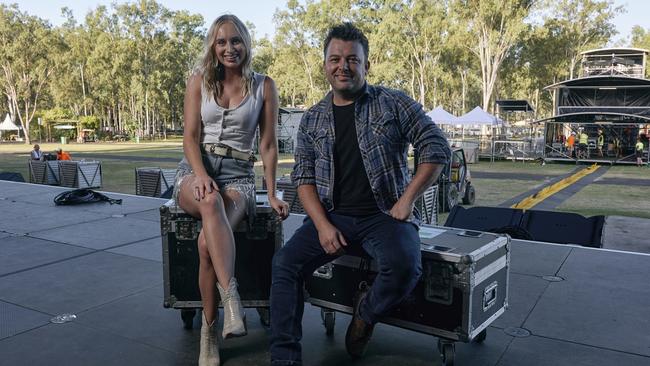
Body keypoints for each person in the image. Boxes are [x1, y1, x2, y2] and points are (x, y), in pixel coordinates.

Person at [269, 23, 451, 365]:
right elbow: (304, 179)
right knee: (284, 264)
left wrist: (407, 199)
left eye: (353, 59)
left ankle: (365, 316)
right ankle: (284, 358)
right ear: (325, 64)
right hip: (332, 215)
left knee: (404, 267)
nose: (343, 66)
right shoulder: (312, 120)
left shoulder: (393, 103)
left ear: (367, 65)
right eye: (335, 59)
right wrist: (322, 226)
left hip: (384, 216)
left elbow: (437, 147)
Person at [171, 14, 288, 366]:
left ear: (246, 44)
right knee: (208, 200)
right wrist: (200, 173)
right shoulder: (198, 82)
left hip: (238, 176)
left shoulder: (264, 86)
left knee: (207, 244)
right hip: (194, 171)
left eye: (235, 40)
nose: (229, 48)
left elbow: (267, 146)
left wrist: (271, 192)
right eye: (221, 42)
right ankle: (231, 302)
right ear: (213, 46)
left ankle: (209, 333)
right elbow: (189, 138)